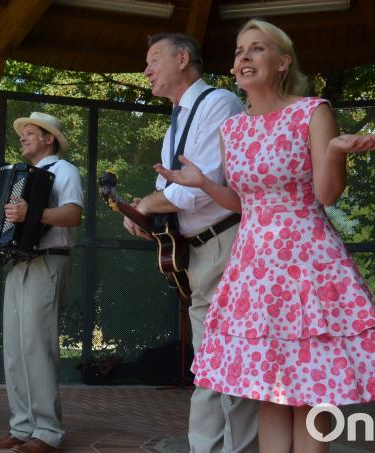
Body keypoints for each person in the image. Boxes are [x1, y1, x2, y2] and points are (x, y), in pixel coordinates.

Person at [154, 19, 375, 453]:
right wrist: (203, 183)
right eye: (239, 51)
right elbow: (242, 203)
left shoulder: (312, 111)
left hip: (307, 262)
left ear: (283, 62)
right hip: (253, 267)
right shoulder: (232, 129)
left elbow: (326, 194)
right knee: (269, 389)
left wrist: (335, 152)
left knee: (310, 389)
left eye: (257, 48)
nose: (244, 57)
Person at [123, 33, 259, 453]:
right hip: (198, 252)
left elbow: (200, 186)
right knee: (209, 365)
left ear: (183, 59)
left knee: (232, 363)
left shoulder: (219, 103)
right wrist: (144, 213)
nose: (146, 70)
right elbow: (170, 190)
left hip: (226, 244)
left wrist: (149, 203)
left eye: (154, 59)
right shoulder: (177, 121)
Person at [0, 112, 83, 453]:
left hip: (49, 260)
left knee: (37, 348)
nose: (23, 138)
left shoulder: (64, 170)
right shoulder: (21, 176)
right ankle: (22, 427)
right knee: (14, 350)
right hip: (20, 262)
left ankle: (48, 432)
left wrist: (33, 213)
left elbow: (73, 215)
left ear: (48, 139)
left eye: (30, 133)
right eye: (22, 134)